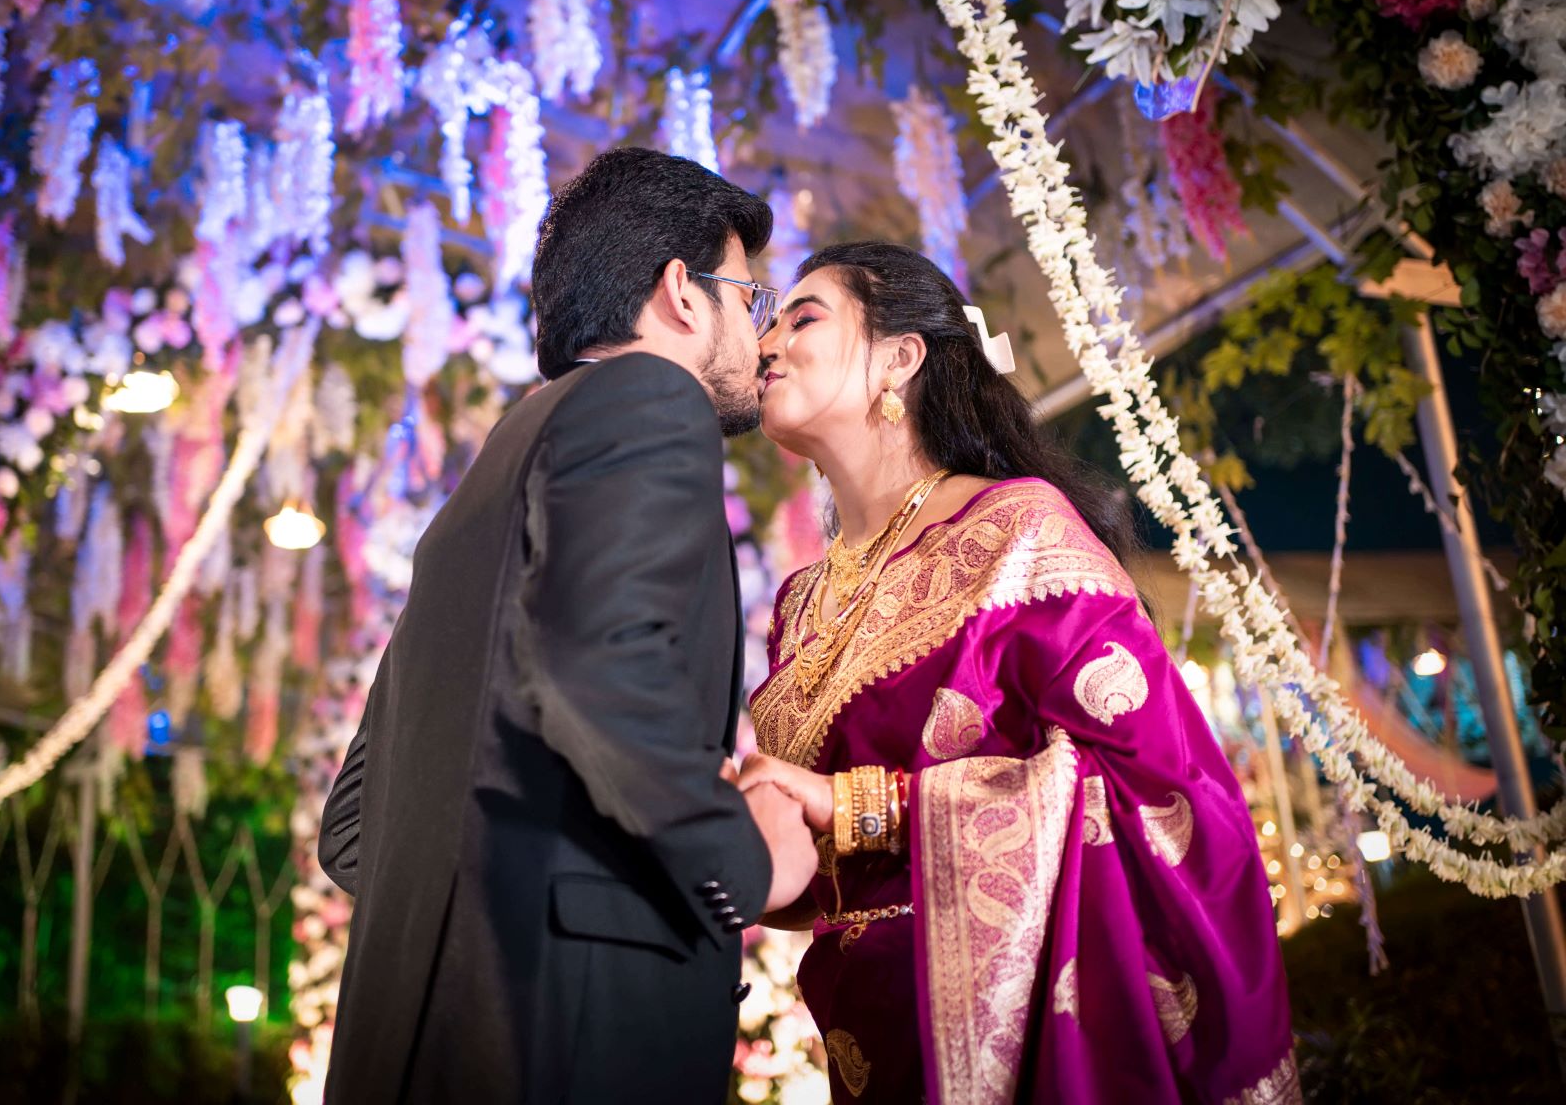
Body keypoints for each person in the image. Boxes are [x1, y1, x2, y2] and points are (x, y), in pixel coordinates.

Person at [737, 242, 1295, 1104]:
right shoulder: (800, 602)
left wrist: (859, 803)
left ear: (899, 356)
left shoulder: (1022, 532)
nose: (765, 342)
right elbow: (823, 869)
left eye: (801, 318)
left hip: (1036, 1034)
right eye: (765, 322)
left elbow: (1157, 787)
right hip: (871, 1038)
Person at [317, 147, 819, 1104]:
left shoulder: (478, 495)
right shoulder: (648, 398)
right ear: (682, 291)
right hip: (567, 1037)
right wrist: (739, 856)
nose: (760, 340)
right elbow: (599, 664)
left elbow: (352, 831)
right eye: (749, 301)